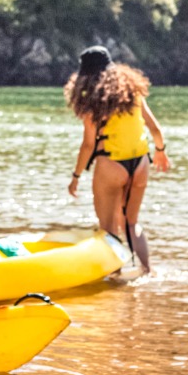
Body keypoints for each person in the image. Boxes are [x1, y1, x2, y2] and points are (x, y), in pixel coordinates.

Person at [64, 46, 171, 274]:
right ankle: (146, 271)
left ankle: (115, 277)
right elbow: (155, 128)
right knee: (131, 223)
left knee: (108, 229)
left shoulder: (93, 100)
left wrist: (76, 176)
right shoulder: (133, 92)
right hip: (140, 164)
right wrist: (160, 151)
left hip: (111, 164)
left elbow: (88, 145)